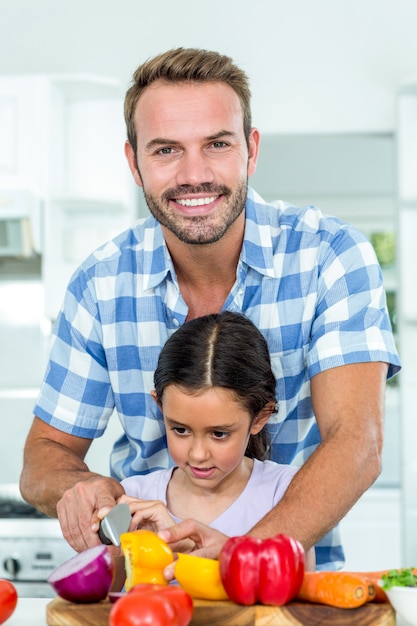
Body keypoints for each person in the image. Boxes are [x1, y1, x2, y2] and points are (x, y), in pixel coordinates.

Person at [19, 47, 401, 571]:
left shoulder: (331, 256)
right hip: (149, 591)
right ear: (133, 162)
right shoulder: (100, 283)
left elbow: (357, 443)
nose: (194, 174)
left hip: (289, 590)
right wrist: (82, 487)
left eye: (217, 144)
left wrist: (240, 559)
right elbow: (43, 456)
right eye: (166, 150)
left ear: (251, 149)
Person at [110, 311, 315, 587]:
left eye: (219, 434)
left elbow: (300, 599)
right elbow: (103, 602)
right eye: (180, 430)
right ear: (161, 408)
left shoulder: (288, 494)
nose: (197, 454)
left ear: (259, 417)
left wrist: (191, 553)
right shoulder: (135, 497)